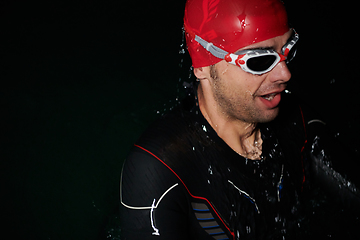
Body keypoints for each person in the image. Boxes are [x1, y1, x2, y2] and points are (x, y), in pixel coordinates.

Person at [120, 0, 360, 239]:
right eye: (259, 61)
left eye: (287, 50)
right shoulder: (159, 169)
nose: (285, 74)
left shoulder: (295, 119)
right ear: (203, 66)